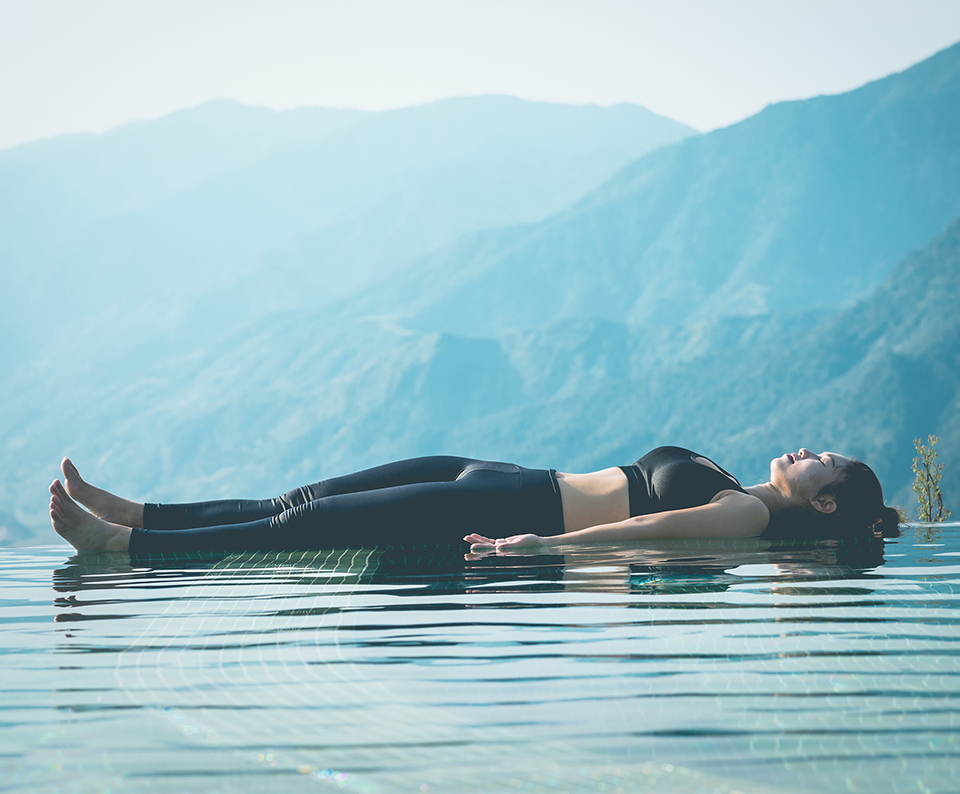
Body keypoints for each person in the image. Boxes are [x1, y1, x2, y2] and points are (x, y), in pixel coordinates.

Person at [49, 446, 901, 556]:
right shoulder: (732, 472)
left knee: (296, 529)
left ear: (823, 506)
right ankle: (137, 511)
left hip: (516, 515)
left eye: (824, 466)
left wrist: (536, 547)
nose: (809, 453)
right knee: (297, 496)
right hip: (493, 475)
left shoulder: (748, 514)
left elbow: (649, 525)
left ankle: (119, 549)